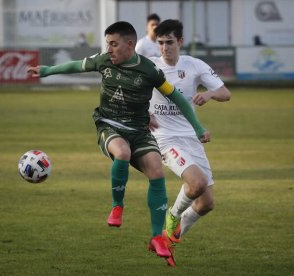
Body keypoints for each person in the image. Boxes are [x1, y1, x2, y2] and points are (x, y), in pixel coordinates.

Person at [28, 21, 210, 266]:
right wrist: (47, 70)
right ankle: (117, 207)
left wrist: (198, 128)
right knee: (122, 152)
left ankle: (158, 236)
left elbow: (178, 98)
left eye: (114, 44)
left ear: (130, 45)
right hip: (109, 125)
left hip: (139, 131)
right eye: (108, 44)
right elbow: (76, 65)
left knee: (156, 168)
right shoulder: (103, 61)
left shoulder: (149, 71)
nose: (109, 49)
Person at [148, 19, 231, 263]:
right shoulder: (151, 67)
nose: (165, 48)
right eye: (161, 43)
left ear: (180, 42)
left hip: (192, 139)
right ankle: (172, 218)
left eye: (169, 42)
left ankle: (167, 240)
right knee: (196, 184)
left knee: (206, 203)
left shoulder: (194, 66)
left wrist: (210, 93)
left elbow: (226, 93)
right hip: (164, 138)